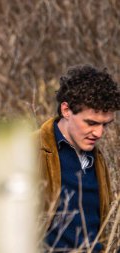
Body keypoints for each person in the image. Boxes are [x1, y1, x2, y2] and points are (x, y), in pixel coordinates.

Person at [38, 65, 120, 252]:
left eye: (105, 125)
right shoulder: (29, 152)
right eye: (91, 123)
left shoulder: (97, 160)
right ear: (66, 110)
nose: (99, 133)